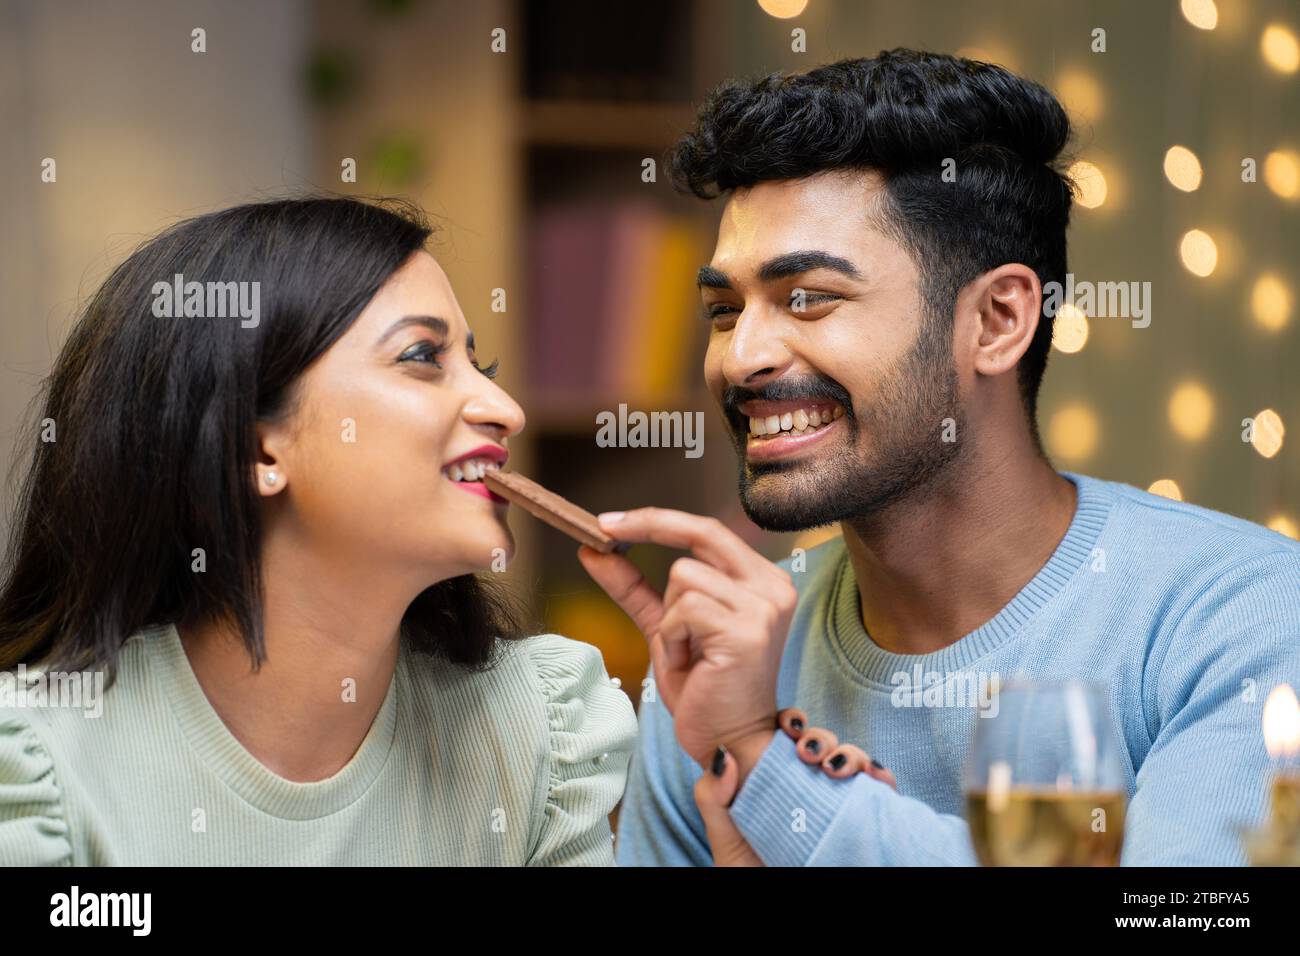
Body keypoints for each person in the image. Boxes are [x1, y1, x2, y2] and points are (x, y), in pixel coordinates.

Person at [579, 50, 1300, 866]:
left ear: (997, 320)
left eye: (807, 298)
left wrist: (766, 767)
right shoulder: (723, 659)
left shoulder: (1247, 617)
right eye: (722, 310)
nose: (739, 357)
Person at [0, 196, 636, 866]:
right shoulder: (38, 772)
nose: (505, 409)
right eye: (423, 355)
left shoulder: (541, 731)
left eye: (482, 368)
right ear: (258, 449)